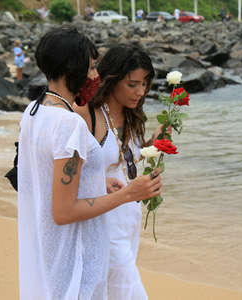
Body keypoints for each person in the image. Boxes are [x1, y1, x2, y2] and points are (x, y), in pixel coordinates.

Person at [17, 26, 162, 300]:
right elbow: (64, 211)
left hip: (48, 250)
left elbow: (48, 177)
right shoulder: (70, 122)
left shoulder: (35, 111)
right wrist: (129, 193)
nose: (96, 75)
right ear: (73, 68)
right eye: (92, 66)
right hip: (76, 251)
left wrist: (97, 180)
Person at [75, 44, 166, 300]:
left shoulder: (133, 117)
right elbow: (62, 170)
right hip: (101, 221)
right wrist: (98, 180)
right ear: (111, 80)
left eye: (145, 84)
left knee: (109, 293)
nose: (141, 91)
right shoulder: (87, 117)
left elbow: (127, 163)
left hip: (129, 218)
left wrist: (152, 146)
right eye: (132, 84)